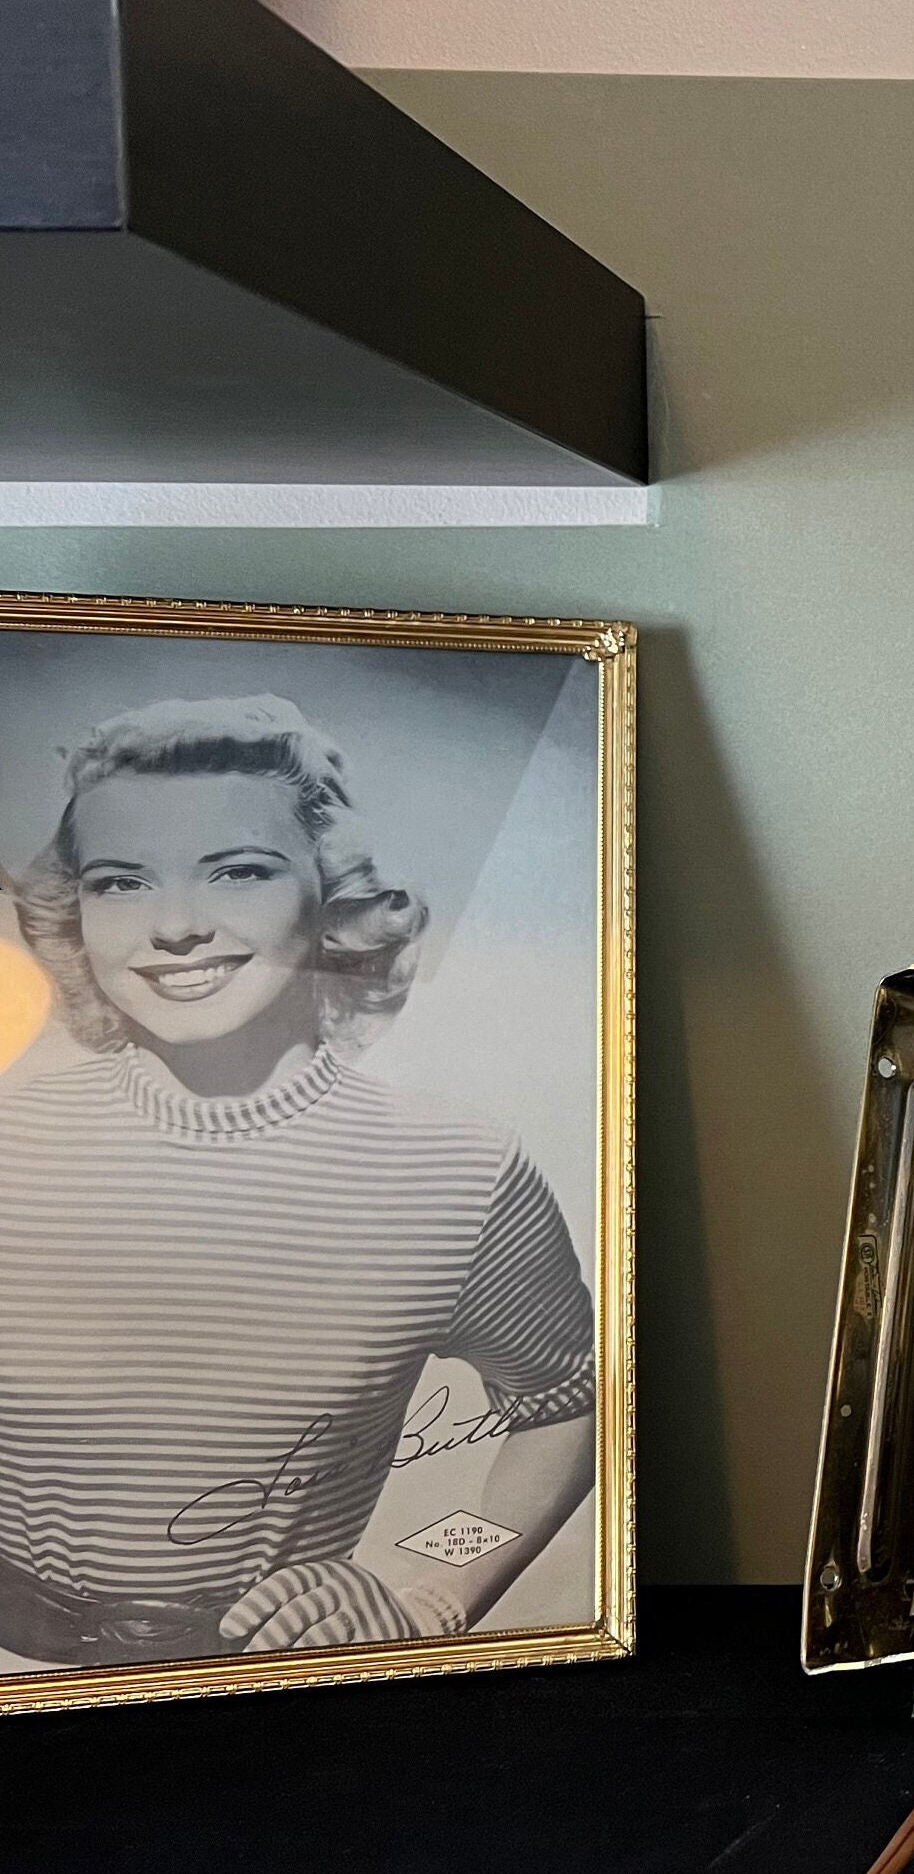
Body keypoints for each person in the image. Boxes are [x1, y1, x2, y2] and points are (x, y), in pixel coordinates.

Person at [0, 696, 595, 1669]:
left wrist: (431, 1587)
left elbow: (568, 1404)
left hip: (285, 1690)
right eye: (122, 881)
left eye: (238, 870)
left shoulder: (459, 1170)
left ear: (331, 895)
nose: (175, 926)